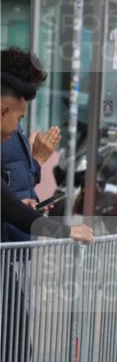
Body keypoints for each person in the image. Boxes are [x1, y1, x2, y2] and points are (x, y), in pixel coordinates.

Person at [2, 55, 93, 362]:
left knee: (18, 351)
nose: (21, 121)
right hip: (9, 246)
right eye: (20, 112)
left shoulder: (13, 137)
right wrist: (53, 227)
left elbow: (12, 192)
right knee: (14, 352)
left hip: (15, 250)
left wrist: (35, 179)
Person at [1, 47, 60, 242]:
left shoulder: (13, 127)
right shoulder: (6, 131)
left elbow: (11, 190)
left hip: (16, 237)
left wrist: (27, 203)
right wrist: (37, 160)